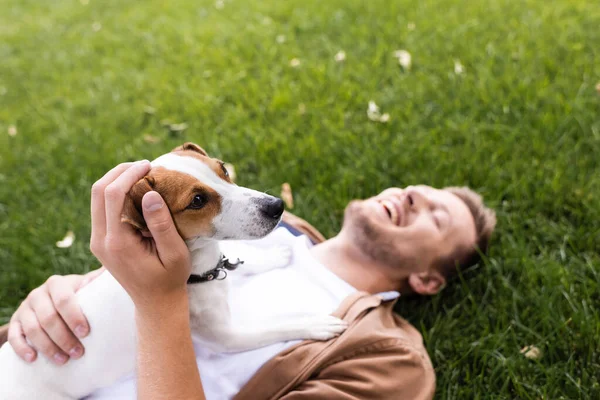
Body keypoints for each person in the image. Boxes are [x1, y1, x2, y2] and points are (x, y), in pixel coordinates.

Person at [2, 161, 496, 399]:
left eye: (436, 216)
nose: (411, 196)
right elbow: (108, 292)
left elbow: (154, 295)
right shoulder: (262, 230)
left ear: (428, 280)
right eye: (415, 189)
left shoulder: (390, 359)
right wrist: (57, 294)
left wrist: (160, 304)